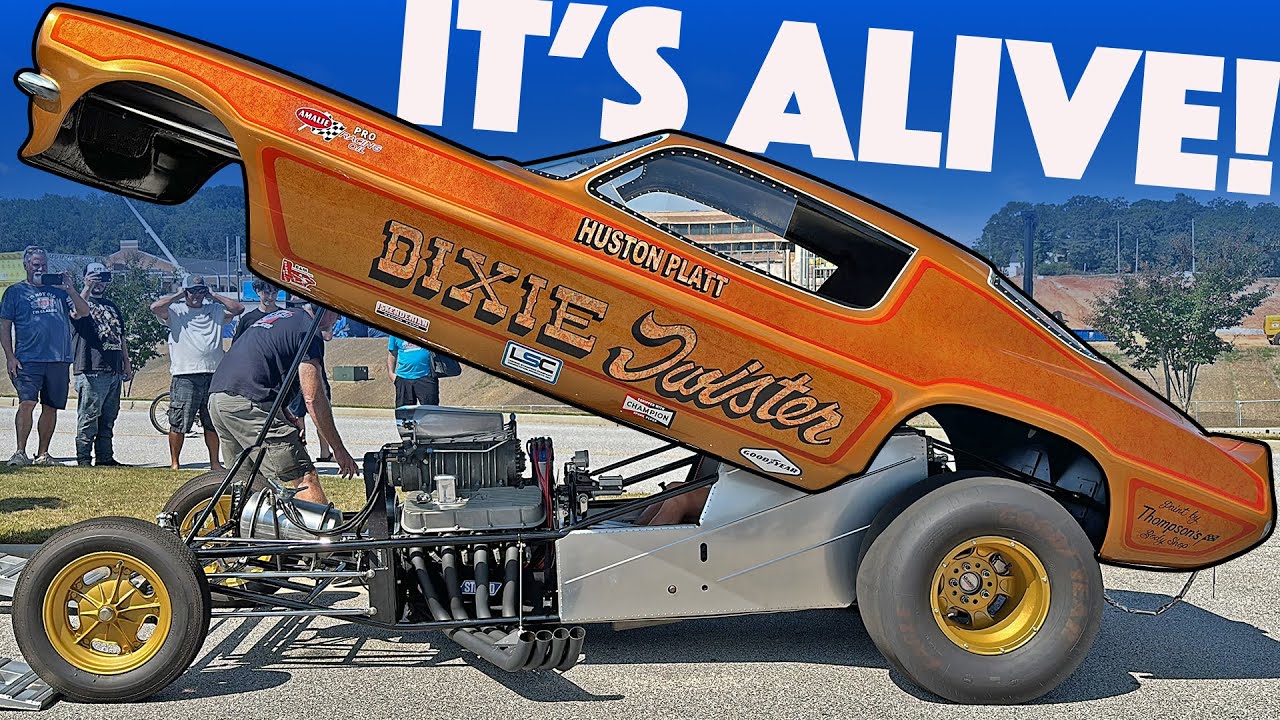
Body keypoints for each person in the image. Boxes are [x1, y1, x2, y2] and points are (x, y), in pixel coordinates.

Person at [208, 304, 359, 504]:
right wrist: (338, 449)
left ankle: (246, 531)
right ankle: (323, 535)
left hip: (218, 398)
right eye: (338, 312)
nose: (338, 319)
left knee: (244, 481)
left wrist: (285, 414)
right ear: (326, 309)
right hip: (247, 403)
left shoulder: (284, 317)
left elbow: (264, 364)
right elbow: (313, 398)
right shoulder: (308, 329)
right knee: (304, 476)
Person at [1, 246, 91, 466]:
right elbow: (4, 326)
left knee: (51, 405)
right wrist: (10, 356)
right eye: (36, 265)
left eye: (44, 265)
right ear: (26, 266)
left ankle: (43, 454)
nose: (41, 269)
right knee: (27, 403)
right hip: (28, 358)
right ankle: (20, 452)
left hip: (58, 359)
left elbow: (83, 312)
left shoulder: (59, 291)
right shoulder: (15, 292)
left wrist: (70, 289)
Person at [151, 274, 243, 471]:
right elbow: (155, 308)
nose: (196, 295)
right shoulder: (176, 311)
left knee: (212, 423)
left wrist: (213, 295)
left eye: (200, 291)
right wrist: (178, 295)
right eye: (192, 291)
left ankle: (215, 463)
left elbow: (238, 309)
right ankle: (175, 463)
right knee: (179, 421)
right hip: (185, 375)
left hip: (213, 374)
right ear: (186, 292)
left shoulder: (215, 309)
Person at [72, 262, 133, 466]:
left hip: (113, 368)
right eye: (93, 276)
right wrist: (87, 288)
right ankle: (83, 459)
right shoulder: (79, 301)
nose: (99, 281)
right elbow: (76, 313)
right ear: (85, 277)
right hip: (91, 368)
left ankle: (105, 458)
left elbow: (121, 336)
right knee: (89, 416)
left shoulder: (111, 305)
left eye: (102, 277)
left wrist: (126, 362)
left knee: (108, 417)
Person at [387, 336, 438, 407]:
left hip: (426, 376)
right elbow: (392, 353)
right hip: (403, 378)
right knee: (404, 414)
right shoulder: (395, 331)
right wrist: (391, 373)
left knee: (430, 412)